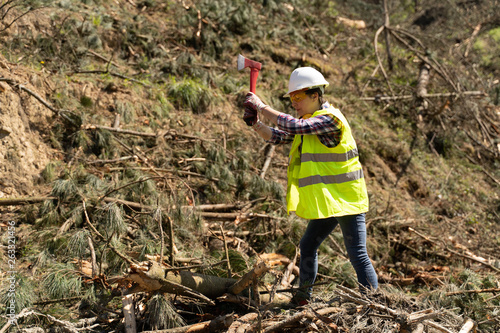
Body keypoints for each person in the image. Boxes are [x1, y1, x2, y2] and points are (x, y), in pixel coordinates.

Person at [242, 67, 378, 304]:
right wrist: (255, 123)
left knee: (357, 254)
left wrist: (261, 107)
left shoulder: (330, 119)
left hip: (347, 200)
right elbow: (279, 135)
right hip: (330, 199)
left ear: (315, 95)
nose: (294, 102)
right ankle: (303, 298)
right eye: (291, 98)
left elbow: (295, 127)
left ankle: (375, 303)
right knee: (308, 245)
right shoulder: (309, 121)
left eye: (298, 97)